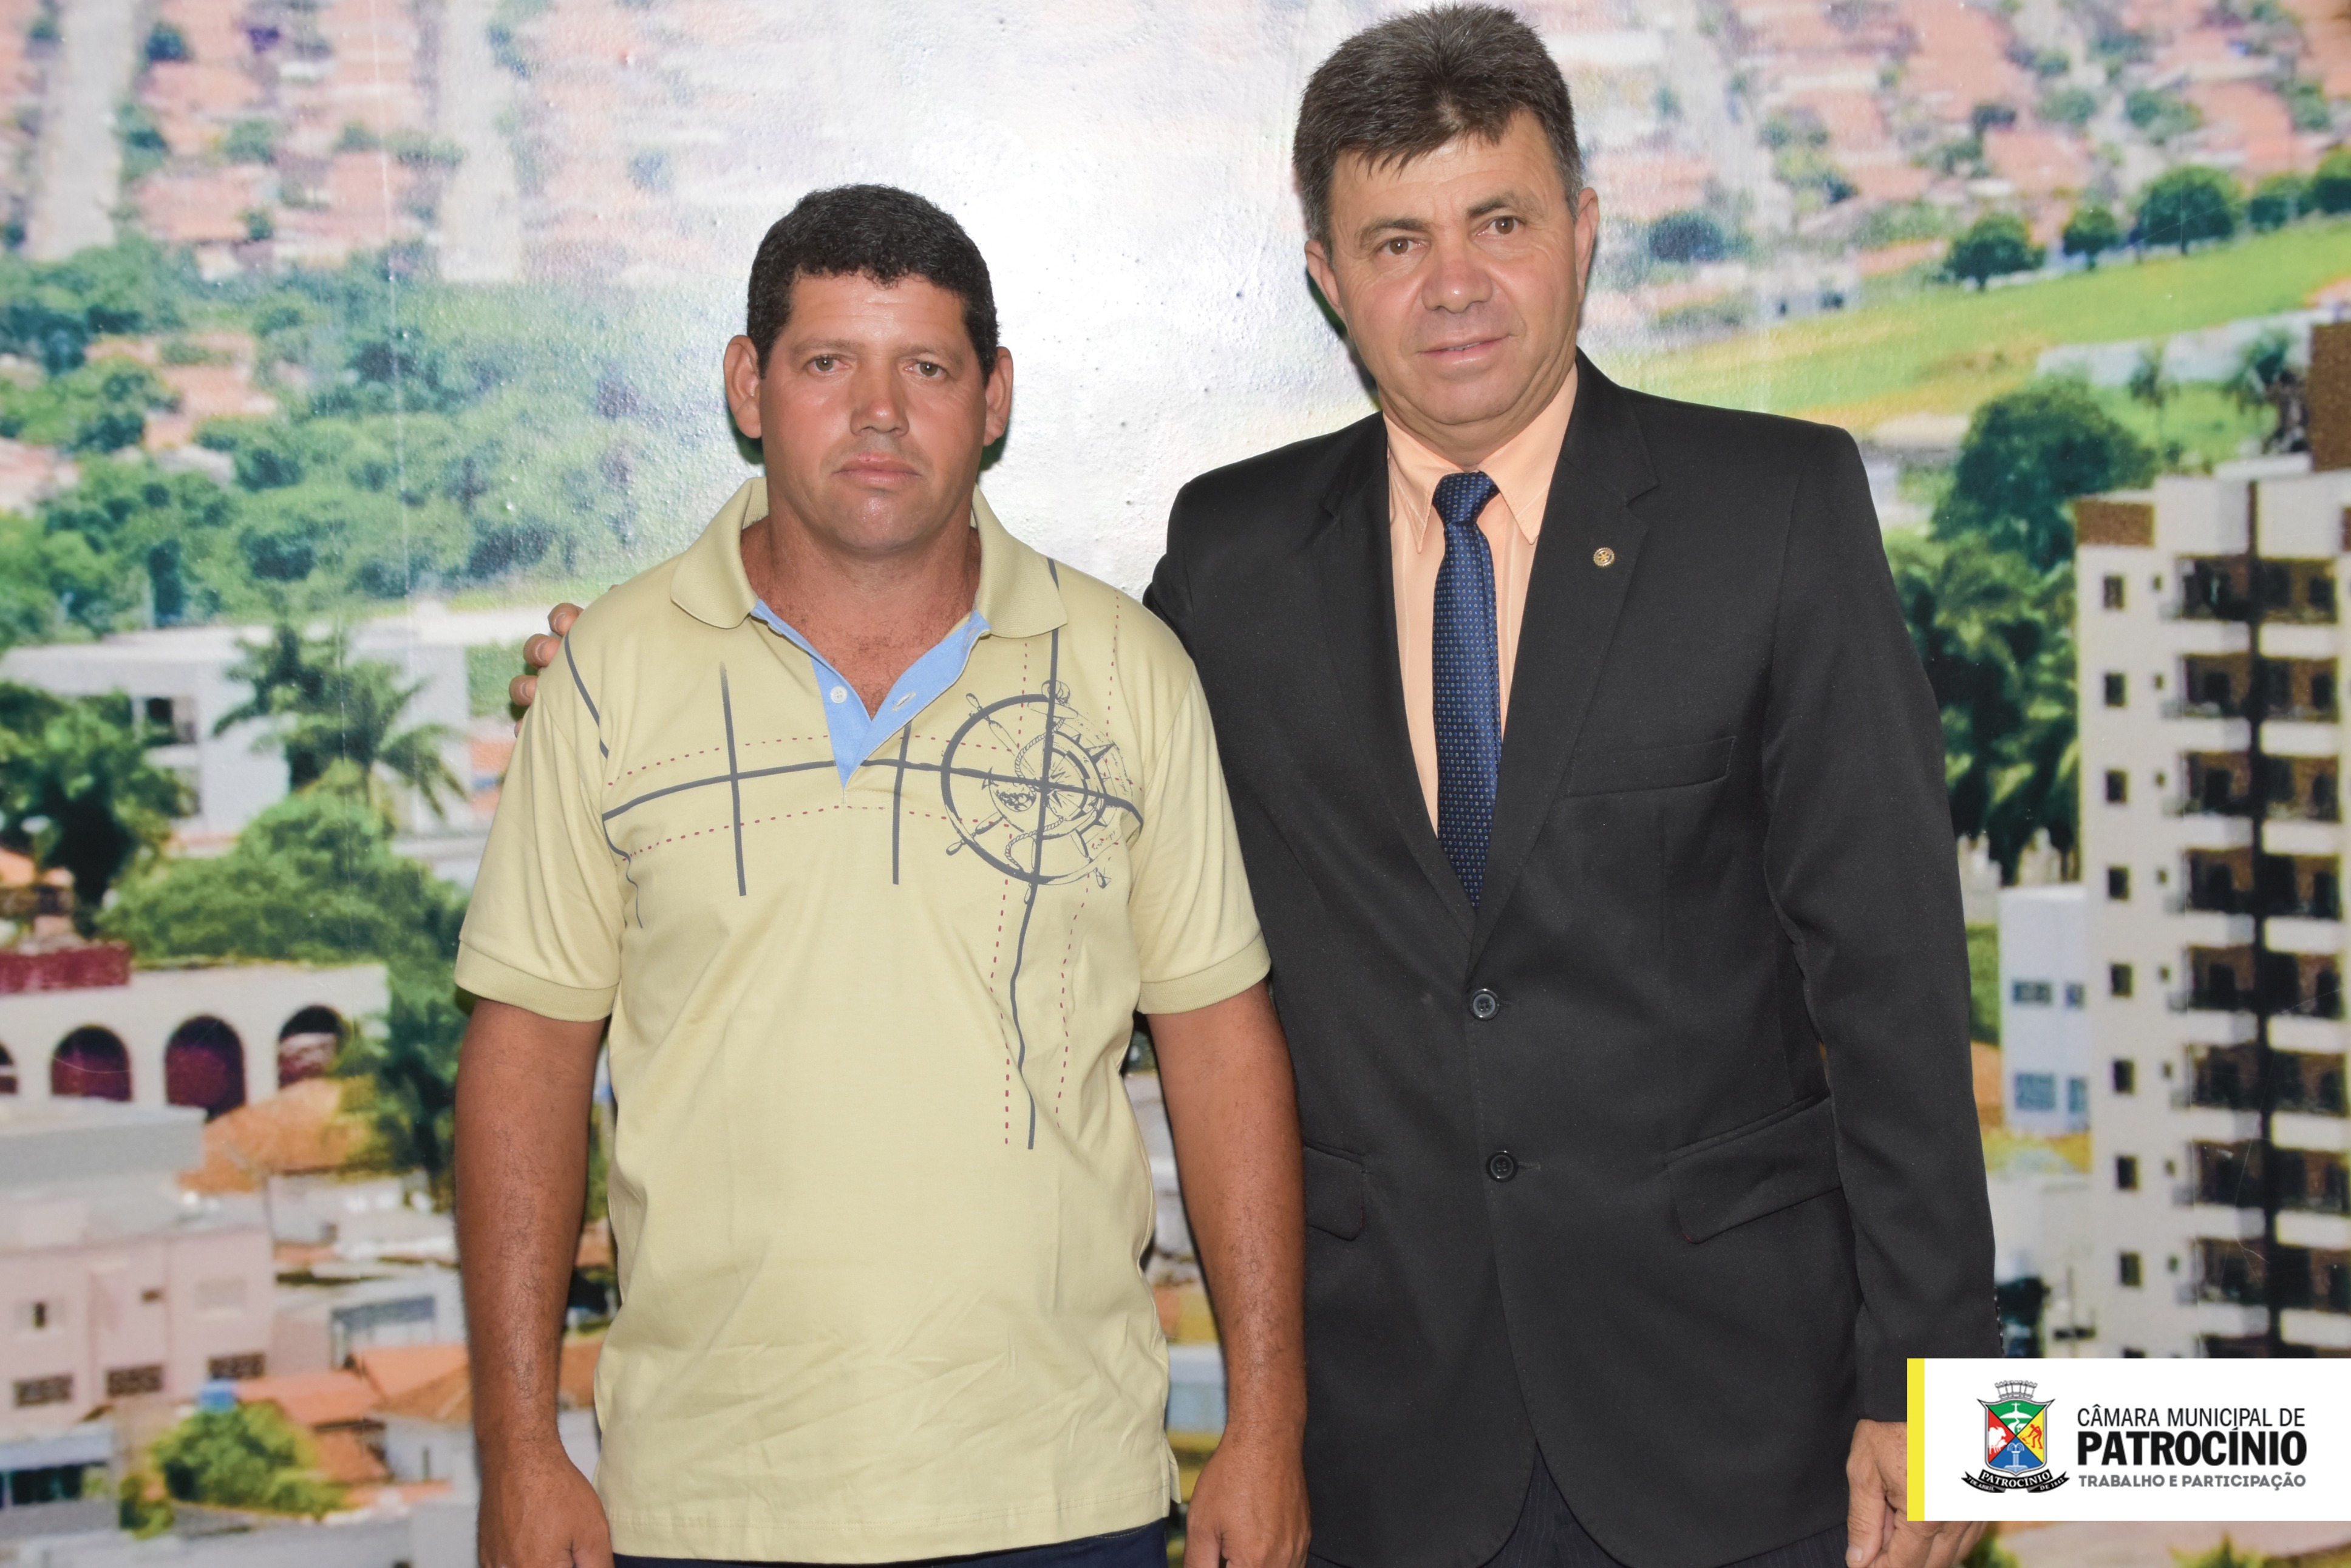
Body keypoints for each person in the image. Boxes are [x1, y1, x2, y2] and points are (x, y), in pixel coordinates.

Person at [511, 13, 1995, 1567]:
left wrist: (1947, 1397)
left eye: (1499, 222)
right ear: (1326, 275)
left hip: (1740, 1412)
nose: (1454, 284)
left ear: (1584, 230)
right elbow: (1024, 707)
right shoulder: (1235, 556)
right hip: (1383, 1443)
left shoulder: (1775, 507)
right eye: (1397, 241)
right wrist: (632, 673)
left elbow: (1891, 975)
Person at [458, 184, 1309, 1568]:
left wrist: (1268, 1424)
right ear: (749, 385)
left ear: (993, 397)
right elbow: (524, 1062)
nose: (878, 413)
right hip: (700, 1503)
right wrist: (516, 1449)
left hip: (1061, 1494)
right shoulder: (610, 672)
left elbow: (1222, 1050)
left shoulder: (1129, 671)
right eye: (826, 363)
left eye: (925, 367)